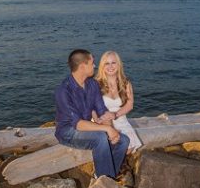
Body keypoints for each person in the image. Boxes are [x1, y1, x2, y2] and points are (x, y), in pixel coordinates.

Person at [54, 49, 129, 179]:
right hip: (68, 132)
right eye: (92, 63)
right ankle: (106, 181)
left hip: (87, 127)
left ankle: (104, 178)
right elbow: (78, 124)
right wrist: (108, 129)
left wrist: (111, 130)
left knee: (123, 140)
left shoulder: (92, 84)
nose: (94, 66)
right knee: (100, 138)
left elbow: (102, 111)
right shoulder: (63, 91)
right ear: (82, 66)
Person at [93, 50, 143, 153]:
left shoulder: (126, 83)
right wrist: (101, 121)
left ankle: (113, 166)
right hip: (102, 120)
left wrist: (115, 114)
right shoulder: (96, 84)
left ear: (118, 64)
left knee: (129, 147)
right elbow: (91, 107)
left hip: (120, 118)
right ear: (102, 66)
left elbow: (130, 105)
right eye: (107, 63)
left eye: (113, 63)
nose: (110, 66)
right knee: (113, 144)